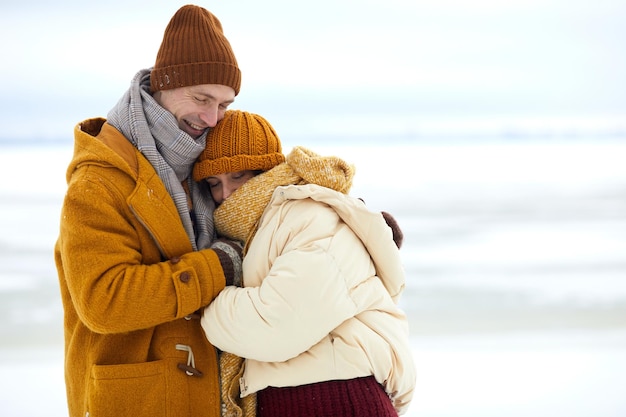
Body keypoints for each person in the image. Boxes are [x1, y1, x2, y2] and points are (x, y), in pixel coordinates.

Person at [54, 5, 246, 417]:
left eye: (225, 104)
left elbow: (261, 189)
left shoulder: (200, 160)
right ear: (163, 86)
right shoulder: (98, 181)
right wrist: (217, 268)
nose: (213, 118)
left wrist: (343, 219)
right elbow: (104, 300)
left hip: (205, 394)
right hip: (136, 400)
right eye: (202, 98)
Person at [194, 110, 416, 416]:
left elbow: (276, 327)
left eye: (238, 175)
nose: (226, 193)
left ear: (267, 170)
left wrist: (205, 297)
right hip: (301, 400)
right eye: (213, 183)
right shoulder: (254, 232)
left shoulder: (309, 216)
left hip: (338, 399)